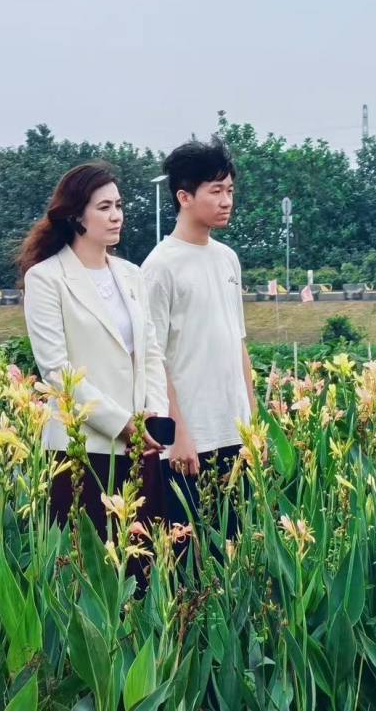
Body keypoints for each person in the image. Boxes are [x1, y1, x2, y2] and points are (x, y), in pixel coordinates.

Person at [18, 162, 169, 541]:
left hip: (140, 447)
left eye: (118, 205)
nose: (116, 216)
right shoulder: (46, 278)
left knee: (142, 561)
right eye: (104, 207)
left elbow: (150, 352)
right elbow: (56, 370)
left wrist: (154, 414)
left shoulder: (132, 275)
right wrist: (121, 424)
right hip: (81, 447)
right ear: (75, 216)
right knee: (87, 561)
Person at [142, 139, 255, 533]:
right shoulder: (160, 267)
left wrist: (253, 425)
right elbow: (154, 359)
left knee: (238, 551)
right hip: (190, 442)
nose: (226, 201)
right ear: (184, 197)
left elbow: (238, 343)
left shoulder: (227, 259)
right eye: (216, 191)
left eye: (230, 190)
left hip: (234, 433)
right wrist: (180, 435)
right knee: (190, 555)